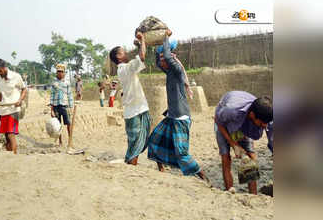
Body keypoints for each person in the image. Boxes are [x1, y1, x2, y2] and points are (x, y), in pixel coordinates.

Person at [147, 30, 209, 182]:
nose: (161, 61)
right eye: (161, 58)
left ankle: (202, 176)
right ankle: (161, 169)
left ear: (171, 59)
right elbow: (157, 62)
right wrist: (156, 45)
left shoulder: (176, 69)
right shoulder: (169, 72)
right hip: (172, 116)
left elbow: (167, 56)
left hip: (180, 118)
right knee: (155, 139)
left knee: (181, 153)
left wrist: (166, 37)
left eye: (164, 58)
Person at [214, 91, 273, 194]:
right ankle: (229, 191)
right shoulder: (231, 111)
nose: (264, 126)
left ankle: (253, 195)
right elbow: (218, 121)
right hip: (224, 123)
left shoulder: (266, 117)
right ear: (252, 115)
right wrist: (233, 144)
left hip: (244, 123)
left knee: (251, 159)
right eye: (261, 123)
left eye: (266, 123)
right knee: (226, 157)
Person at [109, 31, 150, 165]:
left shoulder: (125, 69)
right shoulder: (125, 69)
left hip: (137, 109)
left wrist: (139, 45)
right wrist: (143, 39)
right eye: (123, 52)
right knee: (135, 142)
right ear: (118, 57)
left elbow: (139, 58)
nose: (126, 53)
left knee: (136, 142)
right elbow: (142, 57)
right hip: (134, 111)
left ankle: (131, 162)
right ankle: (131, 163)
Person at [0, 58, 27, 154]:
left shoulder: (16, 76)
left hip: (14, 109)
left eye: (0, 71)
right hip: (4, 110)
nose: (0, 73)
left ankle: (15, 154)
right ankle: (9, 155)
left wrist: (20, 100)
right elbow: (2, 93)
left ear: (4, 67)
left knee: (11, 133)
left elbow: (24, 90)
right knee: (6, 135)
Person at [50, 64, 74, 147]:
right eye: (58, 72)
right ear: (56, 73)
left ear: (64, 73)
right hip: (56, 106)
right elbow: (52, 95)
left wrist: (71, 107)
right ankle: (60, 142)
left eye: (61, 72)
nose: (60, 73)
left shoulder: (67, 83)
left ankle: (70, 142)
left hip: (65, 106)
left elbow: (70, 95)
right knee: (58, 125)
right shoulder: (54, 83)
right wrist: (51, 109)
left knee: (69, 123)